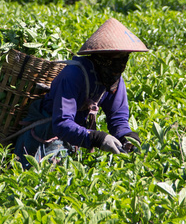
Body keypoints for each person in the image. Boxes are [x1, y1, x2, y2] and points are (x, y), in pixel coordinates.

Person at [14, 18, 148, 168]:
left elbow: (118, 120)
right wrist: (97, 138)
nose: (120, 65)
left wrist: (128, 138)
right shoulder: (73, 75)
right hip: (43, 138)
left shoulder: (113, 79)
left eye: (124, 58)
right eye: (114, 59)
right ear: (101, 57)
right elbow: (62, 123)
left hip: (71, 140)